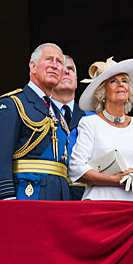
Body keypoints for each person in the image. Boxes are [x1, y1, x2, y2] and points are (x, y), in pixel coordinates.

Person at [68, 57, 133, 201]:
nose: (120, 84)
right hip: (103, 205)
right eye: (113, 81)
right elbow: (76, 168)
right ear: (102, 93)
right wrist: (116, 180)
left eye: (124, 81)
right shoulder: (90, 124)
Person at [0, 42, 72, 200]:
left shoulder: (58, 113)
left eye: (59, 62)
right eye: (49, 59)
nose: (54, 65)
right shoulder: (13, 104)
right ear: (32, 66)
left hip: (60, 198)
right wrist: (6, 199)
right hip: (28, 195)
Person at [51, 55, 87, 200]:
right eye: (62, 68)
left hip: (85, 196)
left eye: (71, 69)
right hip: (50, 194)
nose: (67, 72)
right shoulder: (38, 115)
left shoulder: (92, 119)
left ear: (76, 82)